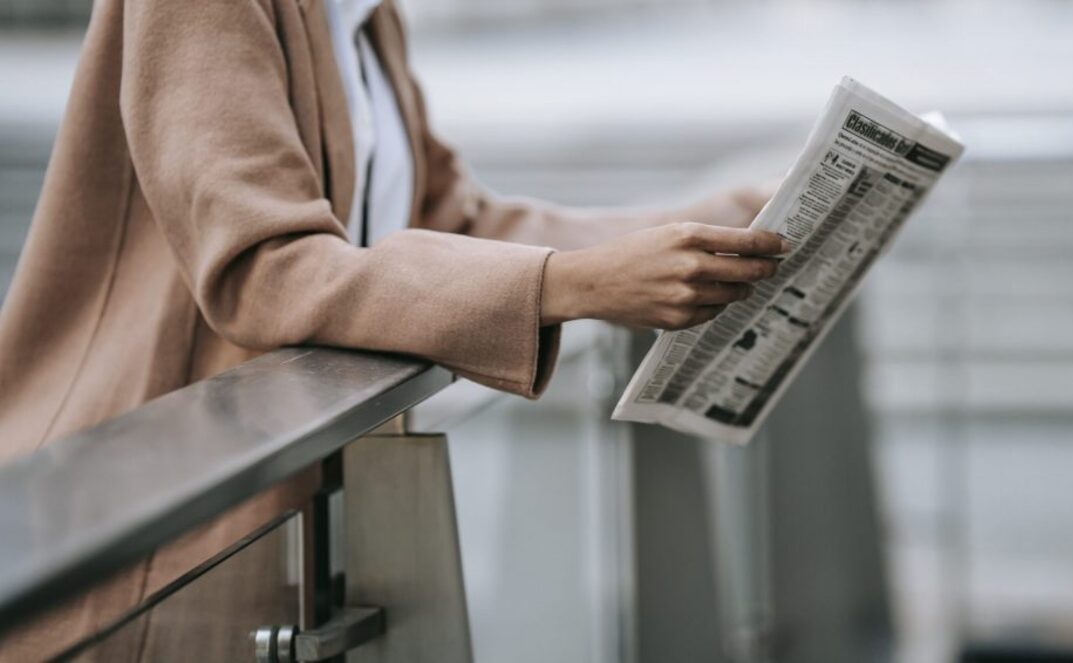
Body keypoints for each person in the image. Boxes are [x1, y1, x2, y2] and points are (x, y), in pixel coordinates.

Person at [0, 0, 782, 657]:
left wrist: (725, 221)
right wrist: (574, 285)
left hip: (281, 540)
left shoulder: (365, 16)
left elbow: (457, 218)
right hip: (146, 549)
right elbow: (264, 266)